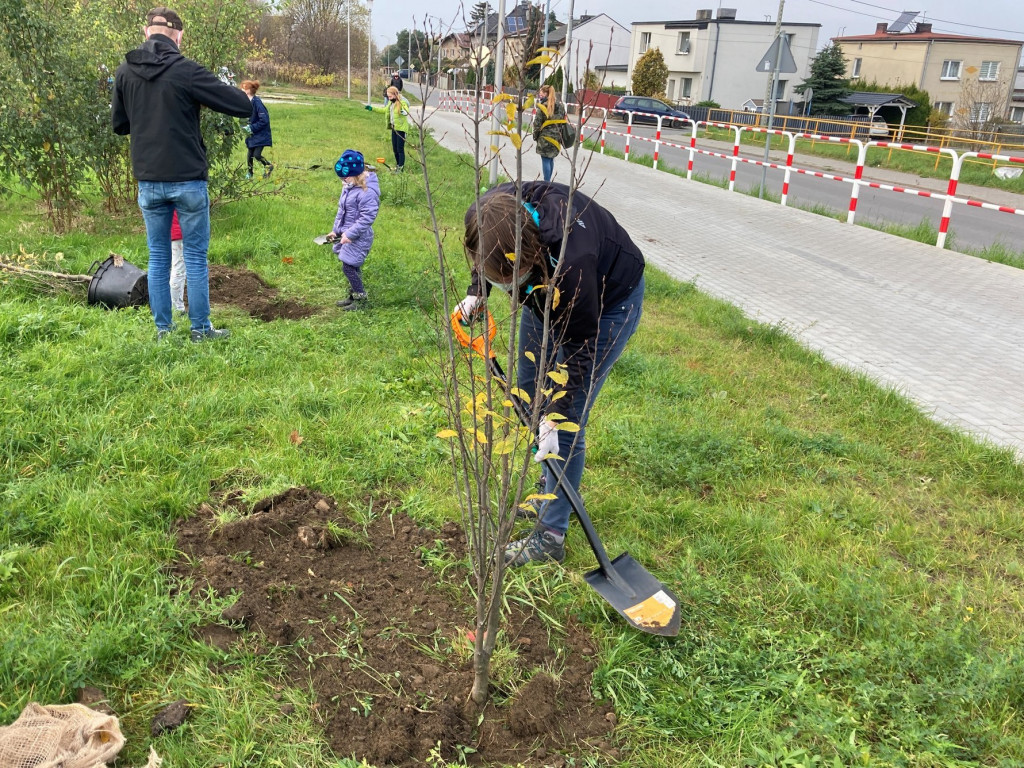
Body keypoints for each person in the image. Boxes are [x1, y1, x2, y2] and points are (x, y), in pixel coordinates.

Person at [456, 182, 645, 567]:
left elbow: (579, 348)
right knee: (529, 390)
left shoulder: (573, 261)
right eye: (500, 279)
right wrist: (479, 290)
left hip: (607, 304)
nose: (506, 287)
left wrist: (555, 416)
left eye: (512, 276)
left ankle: (551, 534)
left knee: (565, 423)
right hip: (544, 291)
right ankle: (552, 488)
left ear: (532, 250)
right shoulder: (487, 212)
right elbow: (484, 255)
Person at [112, 6, 252, 342]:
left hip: (148, 179)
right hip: (187, 178)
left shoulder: (124, 71)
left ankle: (163, 331)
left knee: (158, 258)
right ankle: (201, 330)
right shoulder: (185, 70)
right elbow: (241, 106)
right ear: (178, 35)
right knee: (194, 257)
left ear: (146, 32)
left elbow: (120, 125)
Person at [324, 150, 380, 311]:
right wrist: (336, 231)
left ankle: (361, 299)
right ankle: (353, 296)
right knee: (352, 267)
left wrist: (350, 234)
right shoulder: (349, 187)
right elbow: (342, 212)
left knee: (348, 267)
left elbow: (367, 218)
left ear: (355, 175)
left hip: (359, 237)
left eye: (345, 178)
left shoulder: (367, 192)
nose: (342, 181)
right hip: (347, 234)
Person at [240, 79, 273, 180]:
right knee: (250, 154)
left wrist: (251, 128)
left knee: (257, 155)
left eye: (244, 88)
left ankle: (269, 166)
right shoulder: (248, 102)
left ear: (249, 90)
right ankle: (250, 173)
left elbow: (264, 120)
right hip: (252, 134)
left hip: (261, 134)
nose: (241, 89)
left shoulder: (257, 102)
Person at [532, 85, 566, 182]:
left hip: (545, 138)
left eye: (542, 92)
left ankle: (546, 182)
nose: (540, 94)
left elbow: (537, 124)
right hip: (556, 138)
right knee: (550, 159)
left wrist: (536, 137)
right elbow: (562, 120)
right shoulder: (560, 106)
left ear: (547, 94)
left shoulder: (543, 107)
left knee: (545, 160)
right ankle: (549, 181)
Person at [385, 86, 411, 172]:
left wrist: (405, 112)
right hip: (394, 128)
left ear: (395, 94)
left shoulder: (401, 102)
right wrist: (371, 108)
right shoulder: (391, 103)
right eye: (388, 97)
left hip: (401, 129)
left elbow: (406, 108)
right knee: (395, 149)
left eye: (390, 96)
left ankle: (401, 168)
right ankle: (398, 165)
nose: (389, 98)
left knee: (400, 149)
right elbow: (384, 110)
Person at [170, 210, 186, 313]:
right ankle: (177, 308)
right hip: (179, 231)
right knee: (179, 270)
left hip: (165, 231)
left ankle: (161, 306)